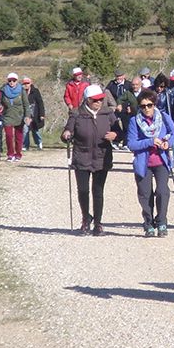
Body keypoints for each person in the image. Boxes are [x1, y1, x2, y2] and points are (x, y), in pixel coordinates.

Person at [61, 85, 120, 236]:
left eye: (101, 99)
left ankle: (98, 223)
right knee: (83, 190)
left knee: (98, 191)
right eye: (96, 100)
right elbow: (68, 130)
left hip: (102, 156)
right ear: (88, 100)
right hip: (82, 156)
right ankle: (86, 219)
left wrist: (115, 135)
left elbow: (120, 132)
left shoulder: (108, 113)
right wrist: (66, 134)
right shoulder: (77, 113)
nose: (99, 102)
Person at [127, 90, 174, 237]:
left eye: (150, 105)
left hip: (161, 160)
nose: (147, 109)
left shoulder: (164, 117)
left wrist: (168, 143)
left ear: (155, 104)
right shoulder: (134, 121)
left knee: (162, 191)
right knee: (145, 194)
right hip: (144, 163)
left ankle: (161, 221)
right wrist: (149, 141)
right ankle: (148, 222)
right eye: (143, 106)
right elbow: (131, 144)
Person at [0, 72, 31, 162]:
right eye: (10, 80)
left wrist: (27, 116)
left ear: (17, 81)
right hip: (7, 116)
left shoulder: (21, 91)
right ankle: (10, 154)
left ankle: (18, 154)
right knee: (9, 136)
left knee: (19, 136)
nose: (12, 82)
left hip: (19, 116)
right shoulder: (3, 90)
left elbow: (26, 104)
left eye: (14, 80)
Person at [116, 77, 149, 150]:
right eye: (133, 85)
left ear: (140, 84)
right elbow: (120, 99)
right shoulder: (128, 93)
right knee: (130, 128)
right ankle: (128, 143)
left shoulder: (145, 92)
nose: (135, 86)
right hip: (132, 115)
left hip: (143, 114)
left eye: (136, 85)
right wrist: (119, 104)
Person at [22, 76, 45, 150]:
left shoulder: (35, 91)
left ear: (30, 83)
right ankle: (25, 145)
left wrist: (42, 114)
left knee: (35, 130)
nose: (26, 85)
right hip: (26, 114)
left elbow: (40, 103)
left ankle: (39, 143)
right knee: (25, 129)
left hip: (35, 113)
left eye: (27, 83)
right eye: (24, 83)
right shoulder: (21, 92)